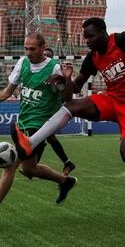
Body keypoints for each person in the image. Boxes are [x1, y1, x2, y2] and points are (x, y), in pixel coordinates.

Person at [11, 17, 125, 176]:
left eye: (90, 36)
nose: (87, 41)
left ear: (103, 32)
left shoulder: (121, 40)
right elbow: (75, 88)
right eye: (85, 37)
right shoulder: (92, 57)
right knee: (71, 105)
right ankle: (31, 142)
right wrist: (66, 78)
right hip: (112, 100)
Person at [0, 33, 77, 229]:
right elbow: (8, 91)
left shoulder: (54, 68)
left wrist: (67, 79)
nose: (28, 52)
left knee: (10, 166)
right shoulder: (22, 63)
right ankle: (64, 181)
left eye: (32, 49)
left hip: (39, 127)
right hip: (23, 123)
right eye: (26, 48)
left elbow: (68, 97)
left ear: (43, 47)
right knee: (29, 169)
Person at [19, 47, 76, 178]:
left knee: (41, 136)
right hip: (41, 110)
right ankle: (66, 163)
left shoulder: (55, 70)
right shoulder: (36, 69)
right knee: (48, 137)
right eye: (44, 54)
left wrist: (63, 79)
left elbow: (68, 95)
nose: (46, 57)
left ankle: (32, 166)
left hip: (50, 111)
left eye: (48, 55)